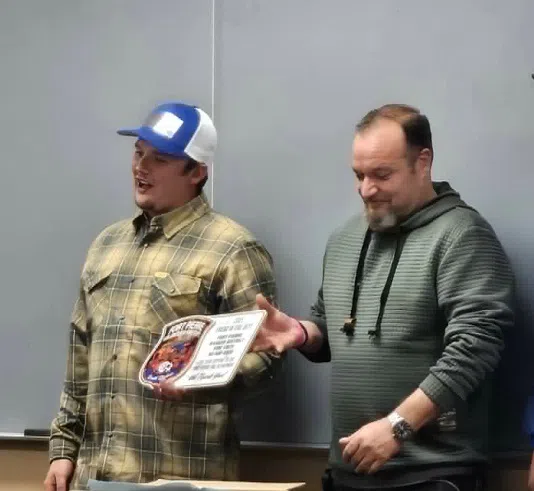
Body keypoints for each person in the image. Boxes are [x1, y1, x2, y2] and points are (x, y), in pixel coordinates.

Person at [253, 104, 515, 491]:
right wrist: (302, 333)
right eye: (359, 175)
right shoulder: (344, 239)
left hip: (432, 476)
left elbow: (476, 347)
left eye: (381, 174)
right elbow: (332, 327)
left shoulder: (463, 235)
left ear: (422, 162)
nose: (366, 189)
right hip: (348, 474)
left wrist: (397, 426)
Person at [44, 102, 281, 491]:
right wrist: (63, 450)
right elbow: (80, 354)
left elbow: (267, 357)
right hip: (94, 476)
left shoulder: (233, 249)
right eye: (138, 152)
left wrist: (202, 379)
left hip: (181, 477)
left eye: (160, 159)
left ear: (197, 171)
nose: (142, 167)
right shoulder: (107, 245)